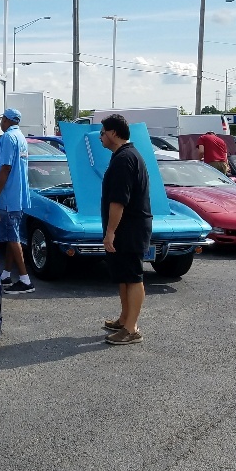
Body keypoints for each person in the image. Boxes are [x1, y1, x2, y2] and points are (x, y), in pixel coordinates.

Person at [100, 114, 152, 345]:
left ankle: (131, 329)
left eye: (102, 132)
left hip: (129, 228)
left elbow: (119, 201)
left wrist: (110, 232)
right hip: (126, 227)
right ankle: (124, 319)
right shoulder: (124, 155)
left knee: (132, 276)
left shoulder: (124, 159)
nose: (100, 137)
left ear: (113, 133)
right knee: (123, 275)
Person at [0, 108, 33, 294]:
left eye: (2, 119)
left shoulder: (7, 138)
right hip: (17, 197)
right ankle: (6, 274)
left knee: (13, 238)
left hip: (8, 198)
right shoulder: (21, 137)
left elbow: (5, 168)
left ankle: (25, 280)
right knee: (11, 236)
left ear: (6, 120)